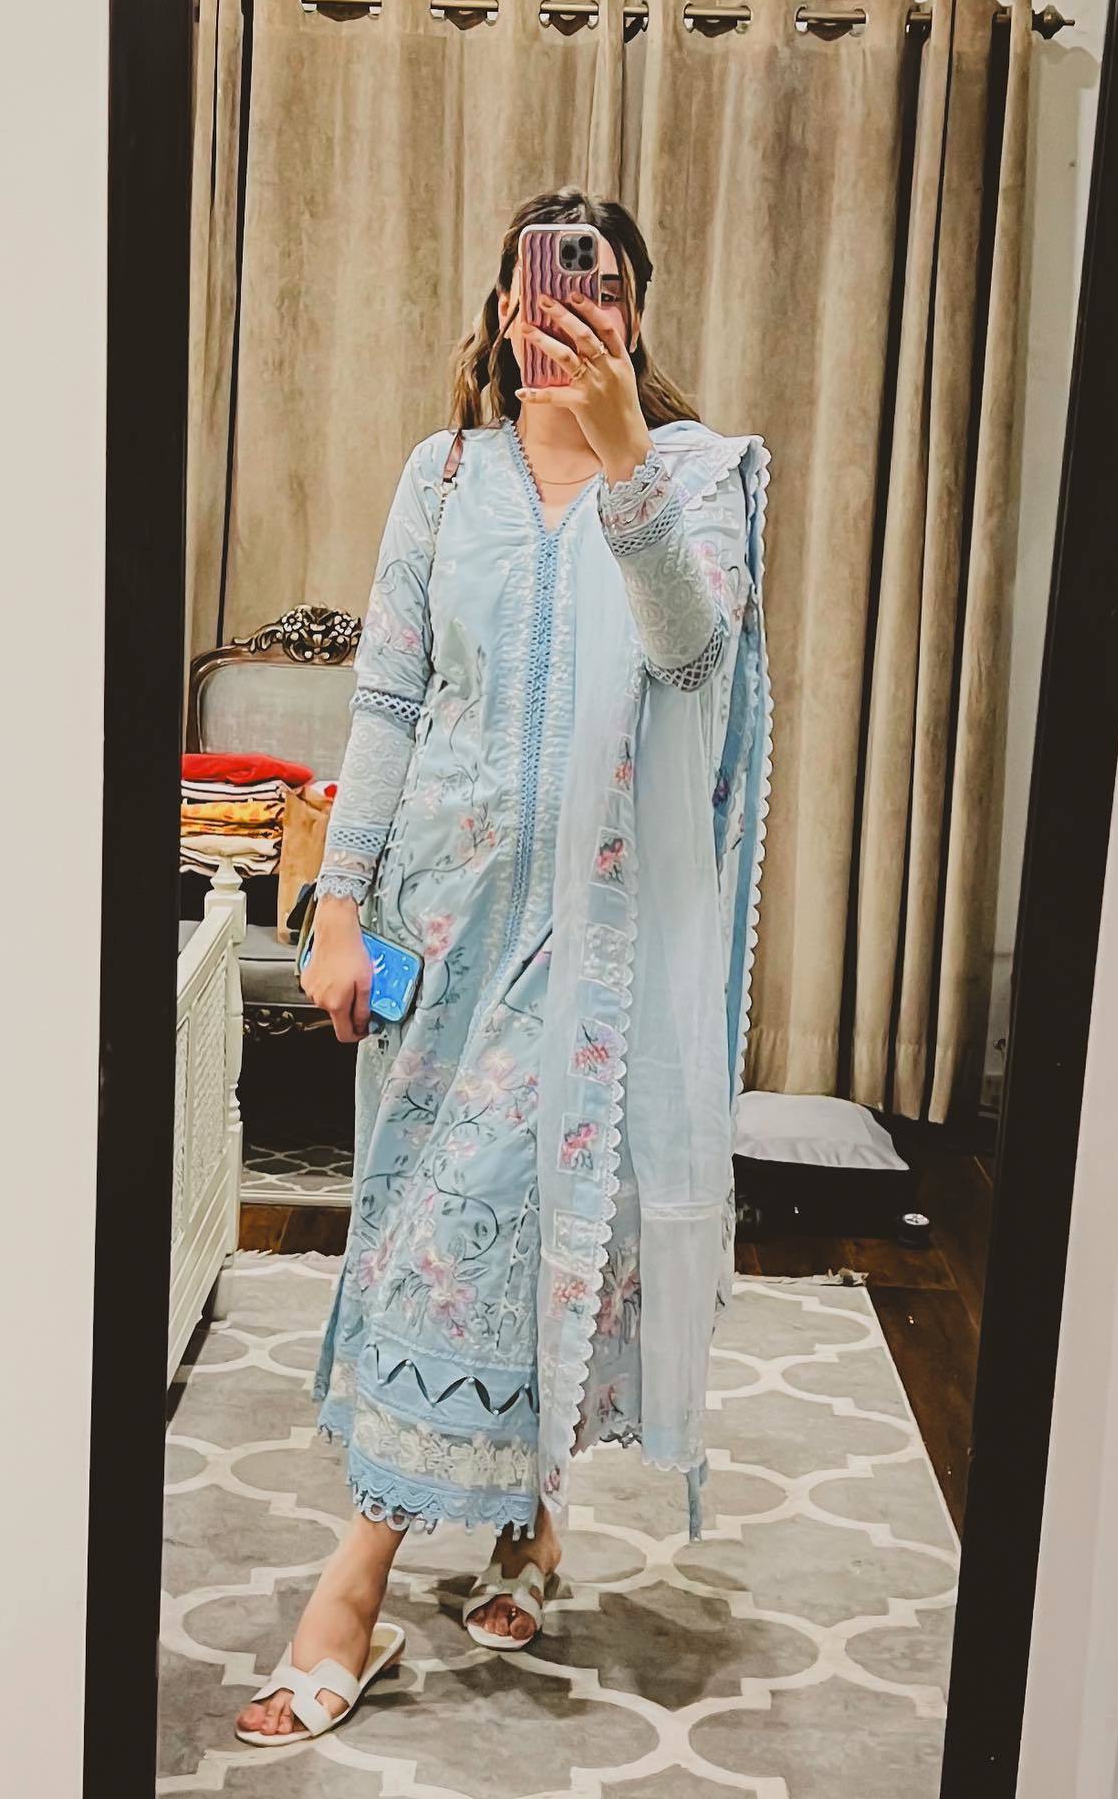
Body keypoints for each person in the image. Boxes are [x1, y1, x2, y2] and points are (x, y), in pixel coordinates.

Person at [235, 186, 771, 1745]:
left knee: (469, 1235)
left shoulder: (695, 477)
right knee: (453, 1228)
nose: (570, 310)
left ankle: (350, 1595)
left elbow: (692, 658)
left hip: (595, 943)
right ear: (501, 304)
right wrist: (340, 907)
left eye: (601, 287)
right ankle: (528, 1520)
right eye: (546, 283)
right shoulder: (445, 474)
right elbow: (390, 699)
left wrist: (623, 462)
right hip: (439, 926)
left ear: (636, 316)